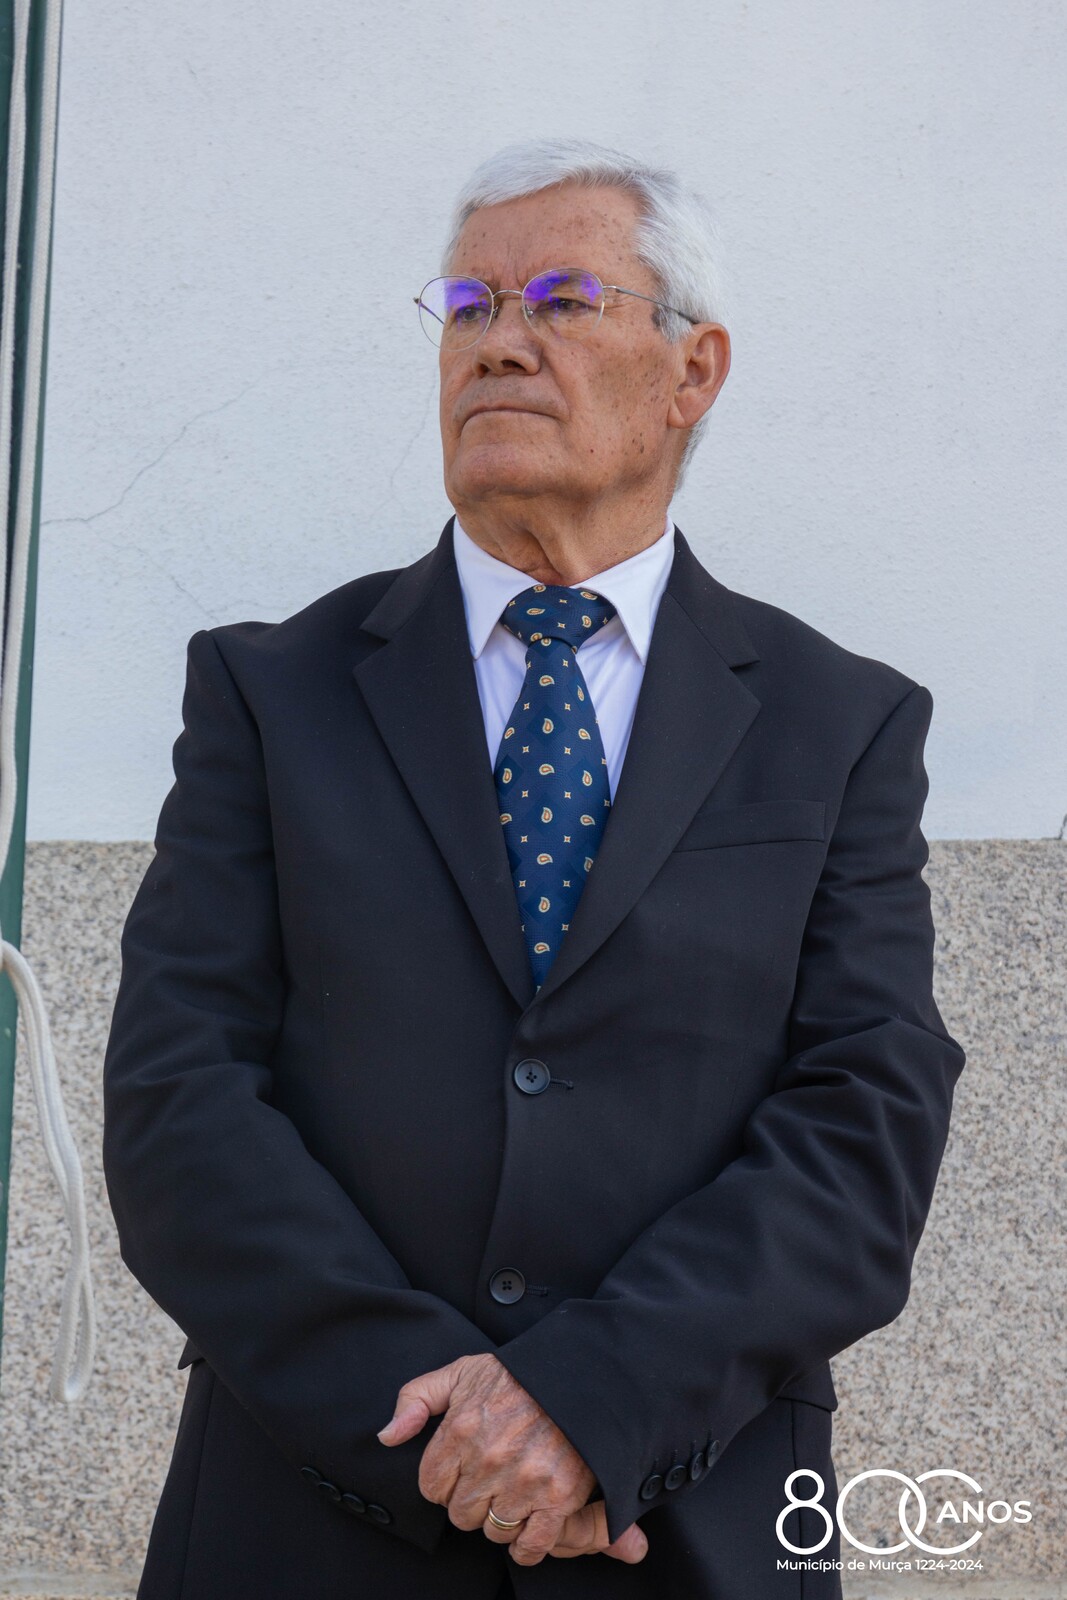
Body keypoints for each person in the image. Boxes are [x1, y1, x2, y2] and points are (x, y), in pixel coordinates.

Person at [102, 137, 966, 1600]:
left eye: (563, 300)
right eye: (468, 305)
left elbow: (864, 1120)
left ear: (693, 371)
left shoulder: (840, 723)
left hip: (690, 1520)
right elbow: (180, 1100)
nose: (498, 342)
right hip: (310, 1514)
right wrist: (442, 1431)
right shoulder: (270, 692)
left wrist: (590, 1404)